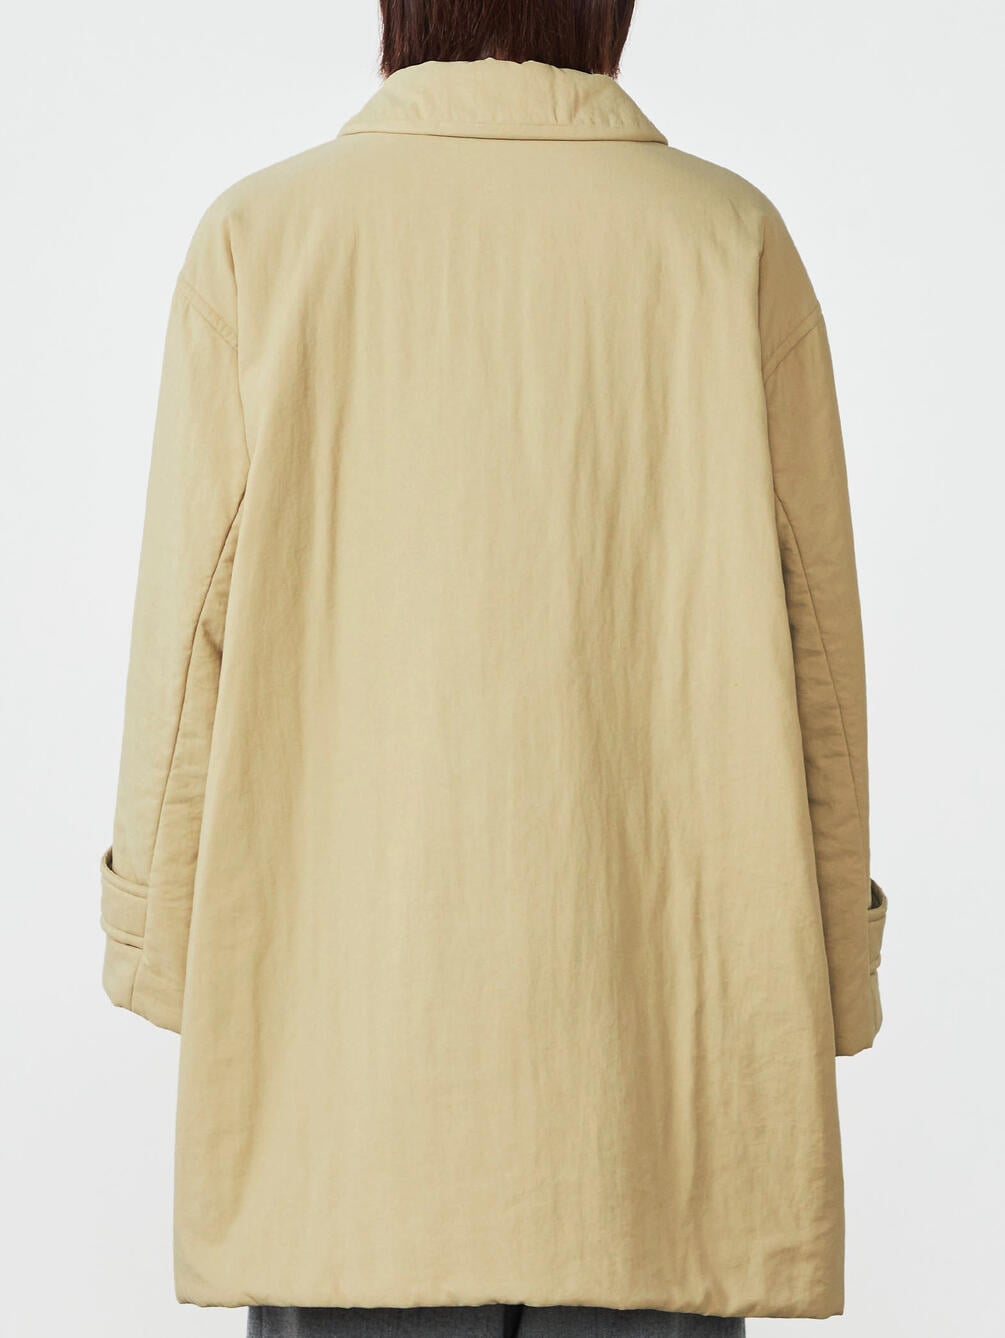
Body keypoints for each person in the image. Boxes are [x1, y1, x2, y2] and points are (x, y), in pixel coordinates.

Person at [98, 2, 889, 1336]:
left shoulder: (263, 242)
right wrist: (833, 969)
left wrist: (156, 942)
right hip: (656, 1092)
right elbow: (817, 644)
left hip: (349, 1081)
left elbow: (187, 642)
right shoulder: (727, 243)